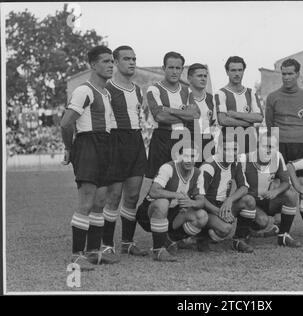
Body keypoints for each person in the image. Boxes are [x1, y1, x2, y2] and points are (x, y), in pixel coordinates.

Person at [61, 46, 119, 271]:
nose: (110, 65)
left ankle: (94, 252)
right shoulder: (83, 91)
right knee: (86, 202)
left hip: (104, 146)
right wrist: (69, 148)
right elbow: (66, 123)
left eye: (112, 61)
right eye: (105, 61)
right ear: (93, 65)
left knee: (100, 201)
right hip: (88, 145)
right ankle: (76, 255)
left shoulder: (106, 93)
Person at [265, 58, 303, 246]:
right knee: (278, 187)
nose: (286, 77)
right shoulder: (273, 97)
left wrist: (298, 134)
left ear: (298, 74)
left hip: (300, 145)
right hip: (279, 147)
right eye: (284, 73)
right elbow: (270, 123)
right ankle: (279, 229)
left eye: (290, 73)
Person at [137, 52, 200, 218]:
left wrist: (170, 109)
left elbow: (194, 115)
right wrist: (183, 112)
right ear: (163, 68)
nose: (174, 71)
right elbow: (160, 116)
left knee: (182, 182)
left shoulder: (187, 91)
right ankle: (147, 217)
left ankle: (175, 229)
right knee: (161, 183)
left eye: (178, 68)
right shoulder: (154, 89)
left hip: (183, 139)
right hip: (163, 138)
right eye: (170, 67)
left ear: (182, 70)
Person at [100, 45, 148, 257]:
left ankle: (128, 242)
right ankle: (106, 244)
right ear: (116, 62)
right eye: (127, 59)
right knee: (114, 195)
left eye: (134, 59)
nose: (132, 62)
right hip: (115, 142)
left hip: (136, 141)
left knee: (133, 195)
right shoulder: (107, 88)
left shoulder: (138, 90)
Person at [135, 145, 208, 261]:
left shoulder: (198, 173)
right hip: (149, 212)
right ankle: (158, 250)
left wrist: (191, 203)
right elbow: (154, 191)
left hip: (173, 213)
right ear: (179, 156)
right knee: (163, 203)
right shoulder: (168, 168)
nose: (189, 160)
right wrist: (177, 195)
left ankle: (170, 240)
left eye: (193, 156)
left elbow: (201, 201)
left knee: (202, 216)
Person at [196, 135, 257, 253]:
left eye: (234, 149)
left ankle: (239, 240)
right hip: (206, 208)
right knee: (225, 229)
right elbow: (199, 197)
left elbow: (244, 187)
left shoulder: (236, 162)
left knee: (249, 200)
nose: (231, 153)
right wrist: (217, 212)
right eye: (226, 149)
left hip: (223, 204)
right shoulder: (209, 166)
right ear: (219, 149)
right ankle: (201, 237)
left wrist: (230, 200)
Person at [239, 131, 301, 247]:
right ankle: (246, 231)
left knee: (291, 194)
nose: (267, 149)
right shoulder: (244, 158)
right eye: (264, 146)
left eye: (271, 147)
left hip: (268, 200)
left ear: (276, 147)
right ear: (258, 145)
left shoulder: (278, 157)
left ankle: (283, 236)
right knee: (262, 221)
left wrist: (275, 191)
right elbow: (238, 185)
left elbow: (286, 182)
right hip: (249, 202)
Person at [215, 56, 263, 154]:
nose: (237, 74)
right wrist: (248, 122)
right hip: (228, 142)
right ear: (227, 72)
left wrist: (235, 114)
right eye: (233, 70)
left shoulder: (251, 92)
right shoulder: (221, 93)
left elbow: (259, 117)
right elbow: (223, 120)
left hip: (250, 141)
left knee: (249, 168)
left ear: (243, 71)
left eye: (240, 70)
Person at [186, 63, 217, 166]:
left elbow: (213, 122)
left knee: (207, 175)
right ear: (189, 78)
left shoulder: (211, 99)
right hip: (187, 141)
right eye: (199, 76)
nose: (203, 79)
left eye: (205, 76)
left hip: (207, 141)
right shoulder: (183, 96)